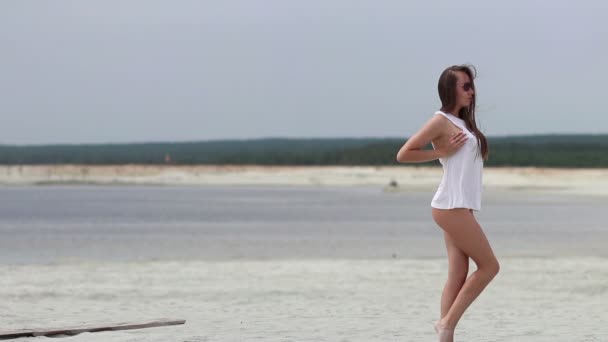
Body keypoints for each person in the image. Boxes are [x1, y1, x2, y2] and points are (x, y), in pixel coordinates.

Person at [396, 65, 500, 342]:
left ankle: (445, 337)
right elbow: (404, 154)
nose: (471, 91)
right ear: (449, 89)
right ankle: (446, 325)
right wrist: (440, 151)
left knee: (458, 273)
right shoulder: (441, 120)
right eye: (465, 86)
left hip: (459, 206)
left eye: (472, 85)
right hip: (449, 206)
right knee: (490, 267)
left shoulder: (464, 123)